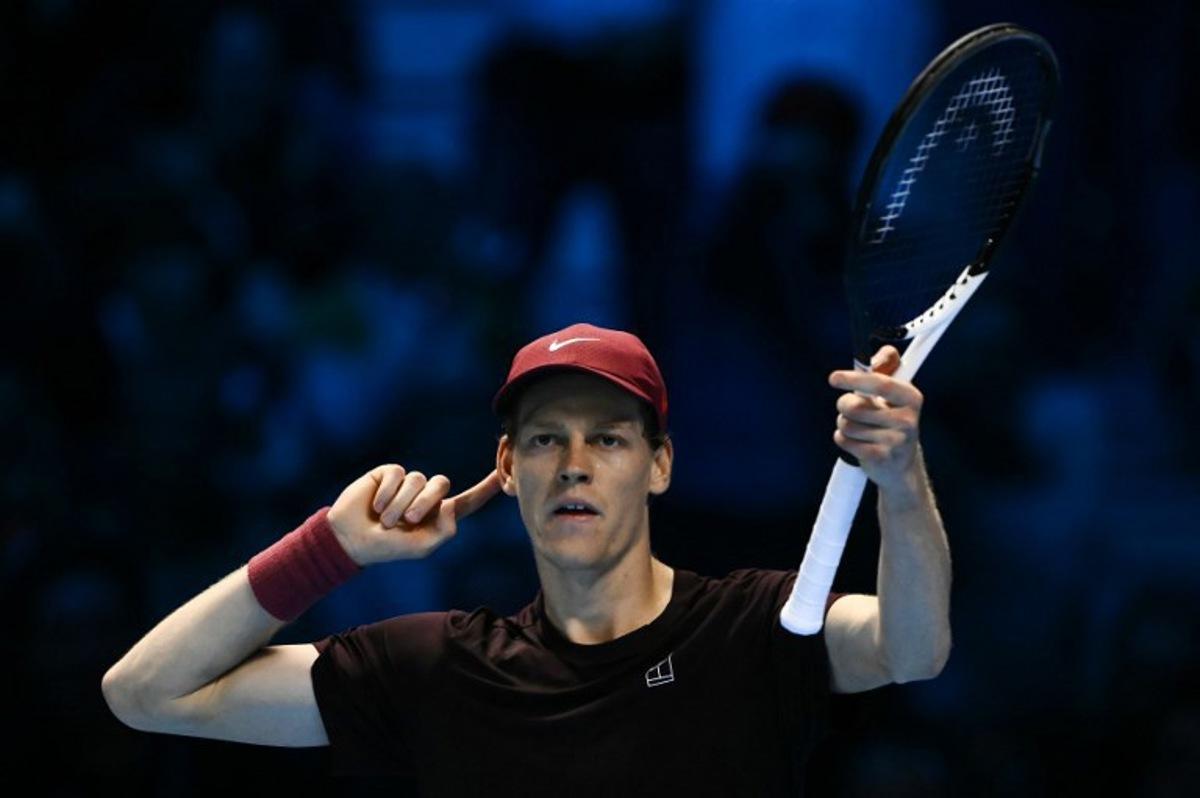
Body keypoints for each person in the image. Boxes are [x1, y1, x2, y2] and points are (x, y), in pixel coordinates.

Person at [101, 321, 951, 796]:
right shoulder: (437, 669)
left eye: (608, 439)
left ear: (660, 465)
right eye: (545, 439)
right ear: (507, 471)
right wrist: (331, 547)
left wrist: (903, 480)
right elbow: (147, 692)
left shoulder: (752, 629)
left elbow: (913, 649)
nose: (573, 462)